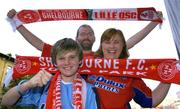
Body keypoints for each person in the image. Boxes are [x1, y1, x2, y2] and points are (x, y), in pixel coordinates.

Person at [7, 9, 161, 58]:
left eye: (90, 33)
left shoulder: (101, 54)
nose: (86, 35)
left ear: (94, 38)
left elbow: (130, 42)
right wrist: (17, 24)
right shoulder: (65, 55)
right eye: (83, 33)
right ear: (76, 38)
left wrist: (154, 22)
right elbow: (38, 44)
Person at [1, 38, 98, 109]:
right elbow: (5, 101)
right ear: (55, 62)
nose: (67, 62)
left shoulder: (89, 90)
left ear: (80, 60)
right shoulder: (45, 84)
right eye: (61, 58)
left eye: (72, 57)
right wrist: (28, 84)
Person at [86, 28, 171, 109]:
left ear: (123, 45)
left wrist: (169, 76)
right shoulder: (90, 64)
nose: (112, 46)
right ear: (101, 46)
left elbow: (150, 101)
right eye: (107, 42)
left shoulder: (129, 72)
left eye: (116, 42)